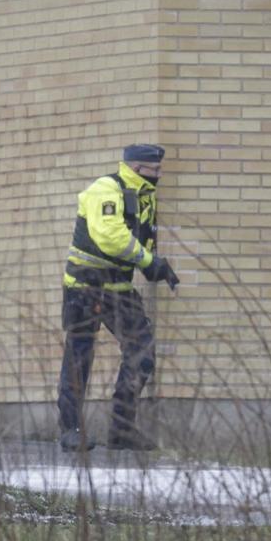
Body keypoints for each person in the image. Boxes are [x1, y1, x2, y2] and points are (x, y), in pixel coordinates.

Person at [57, 143, 180, 452]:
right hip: (85, 287)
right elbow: (110, 237)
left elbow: (141, 238)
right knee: (79, 357)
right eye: (155, 170)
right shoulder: (106, 188)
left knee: (142, 352)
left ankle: (122, 430)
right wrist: (148, 262)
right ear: (138, 168)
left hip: (118, 289)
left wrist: (156, 266)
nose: (159, 175)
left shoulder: (144, 198)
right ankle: (70, 430)